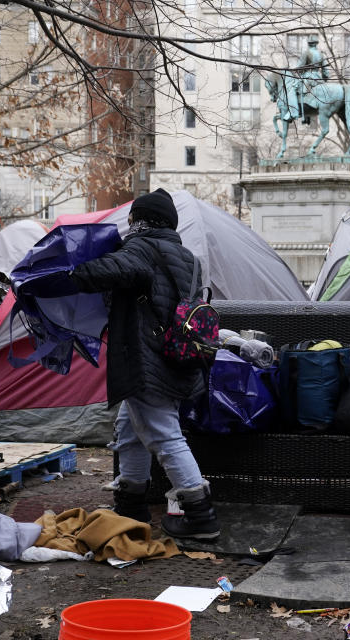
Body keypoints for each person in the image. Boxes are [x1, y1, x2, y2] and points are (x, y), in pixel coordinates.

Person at [69, 189, 220, 540]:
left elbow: (108, 270)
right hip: (178, 357)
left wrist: (69, 271)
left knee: (164, 435)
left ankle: (201, 517)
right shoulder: (187, 256)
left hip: (146, 358)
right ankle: (131, 505)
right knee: (129, 429)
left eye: (133, 218)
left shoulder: (141, 247)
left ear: (140, 220)